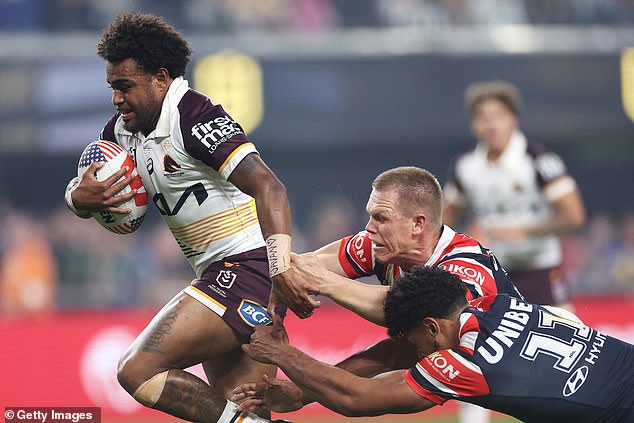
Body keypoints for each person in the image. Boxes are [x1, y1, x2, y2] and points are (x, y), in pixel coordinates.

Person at [63, 12, 309, 422]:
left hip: (248, 269)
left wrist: (281, 269)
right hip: (220, 273)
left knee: (136, 370)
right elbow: (82, 190)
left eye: (124, 87)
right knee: (249, 408)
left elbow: (270, 188)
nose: (115, 99)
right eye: (111, 87)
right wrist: (78, 198)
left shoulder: (194, 117)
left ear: (161, 78)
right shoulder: (122, 132)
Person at [235, 267, 634, 423]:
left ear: (430, 325)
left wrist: (281, 354)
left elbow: (358, 399)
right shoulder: (498, 300)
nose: (416, 351)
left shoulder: (464, 364)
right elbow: (394, 355)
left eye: (412, 338)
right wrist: (302, 393)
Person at [443, 80, 586, 310]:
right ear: (474, 124)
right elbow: (443, 219)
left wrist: (524, 231)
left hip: (540, 267)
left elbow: (574, 216)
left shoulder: (538, 160)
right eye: (483, 117)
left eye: (498, 116)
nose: (491, 125)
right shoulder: (465, 166)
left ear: (513, 120)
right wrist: (465, 240)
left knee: (563, 336)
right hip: (492, 270)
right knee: (486, 340)